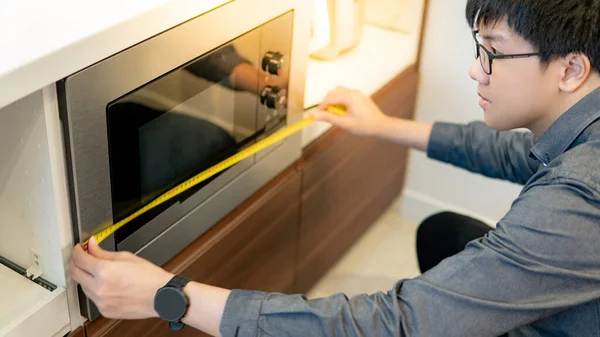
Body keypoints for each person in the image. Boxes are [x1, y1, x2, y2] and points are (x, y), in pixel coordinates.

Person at [70, 0, 600, 335]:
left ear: (571, 69)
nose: (474, 69)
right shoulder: (580, 128)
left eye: (492, 53)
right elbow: (517, 155)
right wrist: (380, 124)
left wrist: (173, 297)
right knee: (445, 234)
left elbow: (402, 323)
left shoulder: (580, 197)